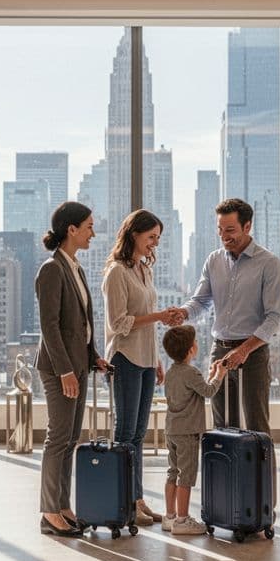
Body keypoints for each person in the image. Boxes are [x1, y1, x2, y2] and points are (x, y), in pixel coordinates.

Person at [165, 198, 280, 434]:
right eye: (220, 230)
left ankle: (259, 472)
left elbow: (275, 318)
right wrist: (184, 312)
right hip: (220, 351)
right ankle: (226, 471)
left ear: (247, 226)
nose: (223, 236)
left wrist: (244, 350)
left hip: (253, 351)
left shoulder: (269, 264)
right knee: (221, 424)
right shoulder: (214, 260)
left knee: (256, 424)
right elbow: (201, 300)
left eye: (230, 230)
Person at [101, 209, 184, 526]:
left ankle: (136, 499)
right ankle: (123, 500)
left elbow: (145, 322)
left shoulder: (144, 271)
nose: (154, 244)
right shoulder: (116, 273)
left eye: (158, 239)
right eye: (151, 237)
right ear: (134, 234)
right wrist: (161, 317)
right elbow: (118, 323)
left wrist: (157, 360)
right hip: (125, 358)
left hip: (146, 359)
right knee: (124, 433)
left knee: (138, 434)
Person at [35, 201, 110, 537]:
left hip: (79, 363)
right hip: (59, 367)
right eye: (89, 226)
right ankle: (49, 511)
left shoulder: (75, 268)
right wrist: (65, 370)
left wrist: (93, 355)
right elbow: (49, 326)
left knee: (71, 440)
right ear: (72, 230)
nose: (93, 233)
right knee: (58, 438)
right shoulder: (51, 270)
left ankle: (63, 506)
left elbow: (81, 323)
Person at [159, 324, 223, 536]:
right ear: (191, 350)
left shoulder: (171, 373)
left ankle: (169, 517)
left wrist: (211, 374)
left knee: (172, 472)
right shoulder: (192, 372)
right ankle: (183, 520)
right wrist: (219, 374)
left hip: (171, 430)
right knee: (185, 476)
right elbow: (208, 390)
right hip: (188, 433)